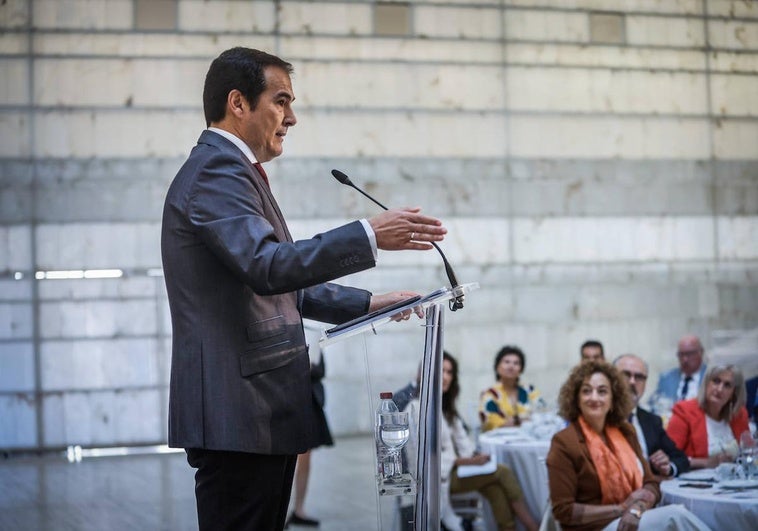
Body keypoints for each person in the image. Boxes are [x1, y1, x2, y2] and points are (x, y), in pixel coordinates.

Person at [160, 47, 447, 531]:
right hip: (239, 415)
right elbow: (266, 265)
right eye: (281, 100)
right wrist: (369, 234)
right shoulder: (216, 171)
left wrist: (368, 304)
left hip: (253, 414)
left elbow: (273, 285)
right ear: (238, 103)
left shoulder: (234, 171)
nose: (291, 117)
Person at [546, 361, 710, 531]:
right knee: (674, 516)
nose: (594, 397)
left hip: (634, 518)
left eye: (602, 391)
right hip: (594, 527)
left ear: (613, 398)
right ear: (576, 398)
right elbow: (563, 511)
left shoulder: (626, 432)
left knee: (678, 514)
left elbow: (651, 483)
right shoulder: (564, 442)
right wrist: (621, 509)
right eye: (586, 391)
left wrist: (636, 509)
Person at [406, 352, 539, 531]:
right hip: (436, 479)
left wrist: (474, 457)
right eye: (441, 371)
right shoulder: (417, 409)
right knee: (503, 472)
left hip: (456, 471)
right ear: (424, 374)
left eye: (449, 372)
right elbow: (422, 459)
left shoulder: (444, 406)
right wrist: (466, 461)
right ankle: (533, 527)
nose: (445, 377)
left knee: (495, 489)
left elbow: (462, 443)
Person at [613, 354, 690, 477]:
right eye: (626, 375)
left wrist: (667, 467)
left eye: (639, 377)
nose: (632, 382)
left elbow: (681, 459)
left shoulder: (652, 421)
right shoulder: (601, 419)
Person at [285, 328, 332, 528]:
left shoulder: (313, 333)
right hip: (288, 403)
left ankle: (298, 509)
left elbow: (321, 371)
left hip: (309, 402)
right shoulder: (286, 331)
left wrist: (310, 367)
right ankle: (284, 511)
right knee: (285, 461)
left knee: (305, 459)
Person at [666, 364, 750, 469]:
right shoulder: (684, 411)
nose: (719, 389)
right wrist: (705, 462)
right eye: (716, 381)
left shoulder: (739, 414)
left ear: (734, 392)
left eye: (727, 385)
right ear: (706, 383)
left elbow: (749, 452)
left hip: (734, 481)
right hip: (694, 482)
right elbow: (669, 457)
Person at [479, 345, 539, 432]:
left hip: (530, 438)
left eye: (516, 363)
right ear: (497, 367)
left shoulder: (530, 390)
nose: (511, 366)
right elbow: (491, 423)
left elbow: (542, 414)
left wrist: (514, 421)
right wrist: (520, 420)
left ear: (521, 369)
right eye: (506, 362)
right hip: (499, 441)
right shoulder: (490, 394)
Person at [656, 334, 708, 403]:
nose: (685, 359)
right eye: (681, 354)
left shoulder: (710, 377)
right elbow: (654, 404)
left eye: (689, 354)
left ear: (701, 352)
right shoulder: (667, 378)